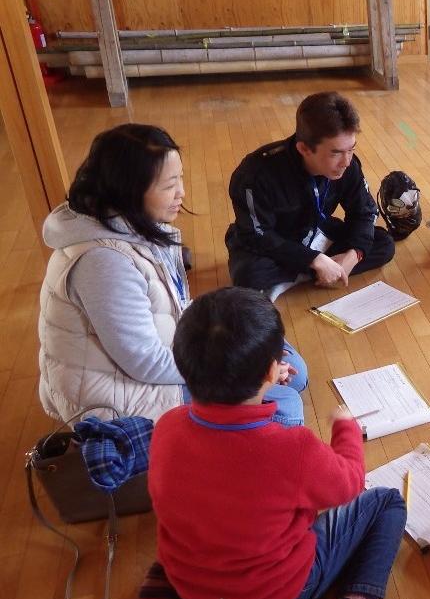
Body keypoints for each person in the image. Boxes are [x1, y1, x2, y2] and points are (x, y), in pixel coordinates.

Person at [147, 287, 405, 599]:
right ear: (272, 369)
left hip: (192, 590)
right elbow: (348, 483)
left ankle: (165, 576)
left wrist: (263, 381)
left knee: (201, 505)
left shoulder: (168, 425)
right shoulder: (294, 449)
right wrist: (346, 428)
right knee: (388, 503)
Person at [37, 124, 307, 424]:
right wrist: (245, 369)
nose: (181, 193)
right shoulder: (103, 262)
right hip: (117, 395)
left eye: (180, 178)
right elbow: (144, 362)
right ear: (129, 191)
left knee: (289, 366)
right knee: (285, 409)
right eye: (169, 186)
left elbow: (173, 307)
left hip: (161, 354)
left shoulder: (135, 225)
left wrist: (248, 349)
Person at [226, 92, 395, 300]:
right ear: (304, 148)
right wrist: (313, 260)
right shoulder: (255, 175)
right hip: (276, 244)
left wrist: (354, 254)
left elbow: (364, 212)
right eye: (335, 153)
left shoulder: (348, 165)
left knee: (384, 244)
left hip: (317, 232)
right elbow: (257, 235)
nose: (346, 162)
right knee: (249, 275)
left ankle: (304, 276)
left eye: (351, 149)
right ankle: (320, 272)